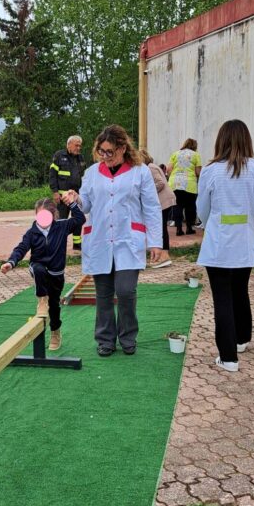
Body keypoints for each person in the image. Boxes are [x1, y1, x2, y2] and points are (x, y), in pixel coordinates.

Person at [76, 125, 162, 357]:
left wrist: (156, 242)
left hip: (129, 239)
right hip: (100, 239)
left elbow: (152, 207)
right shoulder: (92, 173)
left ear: (123, 148)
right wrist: (76, 199)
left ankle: (128, 336)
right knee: (103, 293)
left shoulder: (140, 172)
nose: (105, 157)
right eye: (101, 152)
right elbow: (86, 204)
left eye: (110, 151)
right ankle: (105, 339)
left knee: (125, 291)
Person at [196, 119, 254, 373]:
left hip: (218, 244)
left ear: (221, 141)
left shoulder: (211, 170)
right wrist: (247, 217)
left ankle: (228, 358)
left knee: (222, 298)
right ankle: (241, 340)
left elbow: (202, 209)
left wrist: (213, 224)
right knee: (240, 290)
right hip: (245, 243)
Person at [1, 195, 85, 350]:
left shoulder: (61, 226)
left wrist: (72, 204)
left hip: (56, 274)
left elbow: (80, 220)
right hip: (39, 267)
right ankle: (41, 299)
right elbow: (21, 248)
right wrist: (11, 262)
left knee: (54, 307)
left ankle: (55, 333)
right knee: (38, 269)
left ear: (53, 215)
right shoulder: (31, 233)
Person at [48, 135, 86, 252]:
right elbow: (52, 175)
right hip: (62, 197)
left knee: (78, 220)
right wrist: (55, 192)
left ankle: (77, 244)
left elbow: (84, 177)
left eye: (80, 145)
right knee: (61, 221)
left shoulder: (81, 158)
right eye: (76, 145)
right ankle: (59, 244)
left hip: (76, 197)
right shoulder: (59, 156)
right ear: (69, 144)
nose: (79, 148)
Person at [141, 150, 175, 267]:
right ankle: (164, 255)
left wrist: (148, 192)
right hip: (164, 200)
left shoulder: (150, 168)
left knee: (161, 227)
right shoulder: (152, 167)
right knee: (162, 227)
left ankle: (164, 256)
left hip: (163, 200)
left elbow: (160, 183)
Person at [166, 138, 202, 236]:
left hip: (175, 184)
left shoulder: (175, 153)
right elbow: (198, 172)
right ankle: (189, 228)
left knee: (177, 206)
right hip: (189, 184)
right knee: (190, 206)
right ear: (194, 146)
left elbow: (168, 169)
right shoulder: (196, 155)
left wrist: (173, 177)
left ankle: (178, 229)